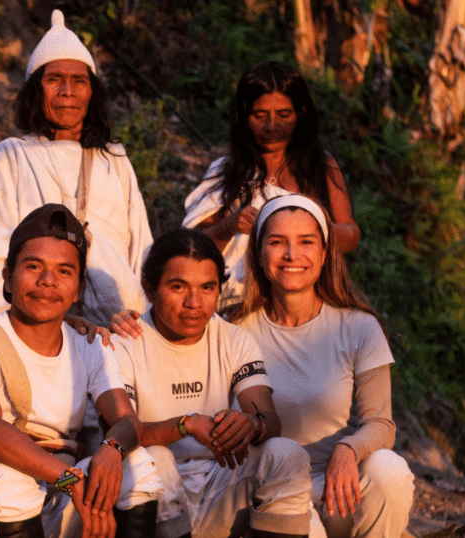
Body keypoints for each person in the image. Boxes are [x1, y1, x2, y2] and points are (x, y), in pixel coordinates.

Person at [0, 204, 162, 538]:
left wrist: (112, 450)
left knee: (139, 467)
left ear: (77, 289)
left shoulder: (88, 344)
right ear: (8, 276)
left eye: (64, 271)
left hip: (62, 487)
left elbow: (126, 420)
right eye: (34, 266)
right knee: (6, 482)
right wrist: (68, 477)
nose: (47, 281)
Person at [228, 194, 413, 538]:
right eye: (277, 242)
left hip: (339, 491)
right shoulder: (234, 331)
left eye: (306, 242)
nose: (291, 255)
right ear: (258, 252)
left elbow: (381, 424)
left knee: (390, 469)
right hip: (270, 493)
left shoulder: (359, 327)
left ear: (326, 253)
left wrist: (348, 449)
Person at [111, 228, 312, 538]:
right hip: (151, 496)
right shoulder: (125, 341)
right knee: (153, 460)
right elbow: (121, 431)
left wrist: (250, 425)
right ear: (149, 290)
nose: (194, 302)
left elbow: (269, 421)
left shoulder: (233, 338)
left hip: (217, 481)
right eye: (178, 287)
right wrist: (185, 424)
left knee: (286, 454)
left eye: (207, 287)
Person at [0, 9, 153, 330]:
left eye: (79, 80)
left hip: (116, 327)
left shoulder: (114, 158)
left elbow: (141, 251)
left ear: (92, 92)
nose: (67, 91)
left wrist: (143, 323)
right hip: (36, 325)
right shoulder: (12, 156)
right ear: (35, 92)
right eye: (54, 79)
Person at [183, 61, 359, 309]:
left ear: (301, 114)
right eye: (260, 115)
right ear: (244, 117)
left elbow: (351, 236)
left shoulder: (319, 166)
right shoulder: (226, 172)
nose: (272, 126)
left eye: (284, 115)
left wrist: (311, 228)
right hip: (233, 307)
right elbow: (191, 250)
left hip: (302, 306)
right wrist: (229, 226)